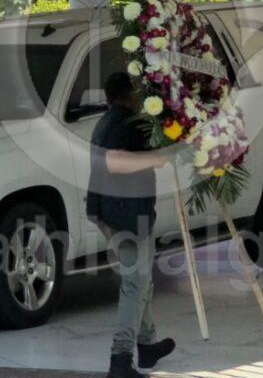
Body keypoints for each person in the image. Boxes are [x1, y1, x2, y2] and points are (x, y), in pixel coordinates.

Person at [86, 72, 176, 378]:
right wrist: (155, 158)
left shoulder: (106, 121)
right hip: (127, 215)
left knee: (141, 281)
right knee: (135, 285)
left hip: (109, 210)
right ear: (129, 93)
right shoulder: (126, 123)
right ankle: (120, 358)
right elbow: (114, 162)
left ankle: (147, 344)